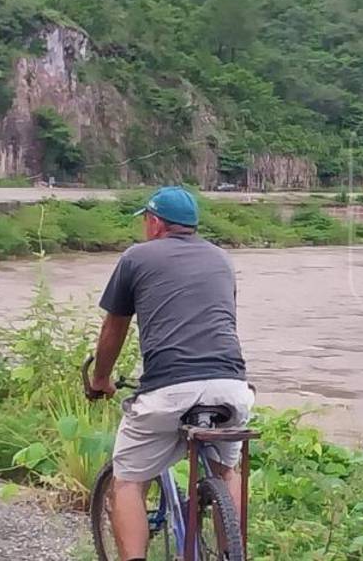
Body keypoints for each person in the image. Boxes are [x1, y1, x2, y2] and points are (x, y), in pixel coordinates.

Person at [87, 186, 252, 561]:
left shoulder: (136, 258)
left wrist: (100, 380)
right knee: (229, 469)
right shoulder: (221, 259)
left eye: (145, 220)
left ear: (156, 222)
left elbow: (115, 328)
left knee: (128, 480)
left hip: (170, 390)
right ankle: (233, 554)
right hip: (231, 387)